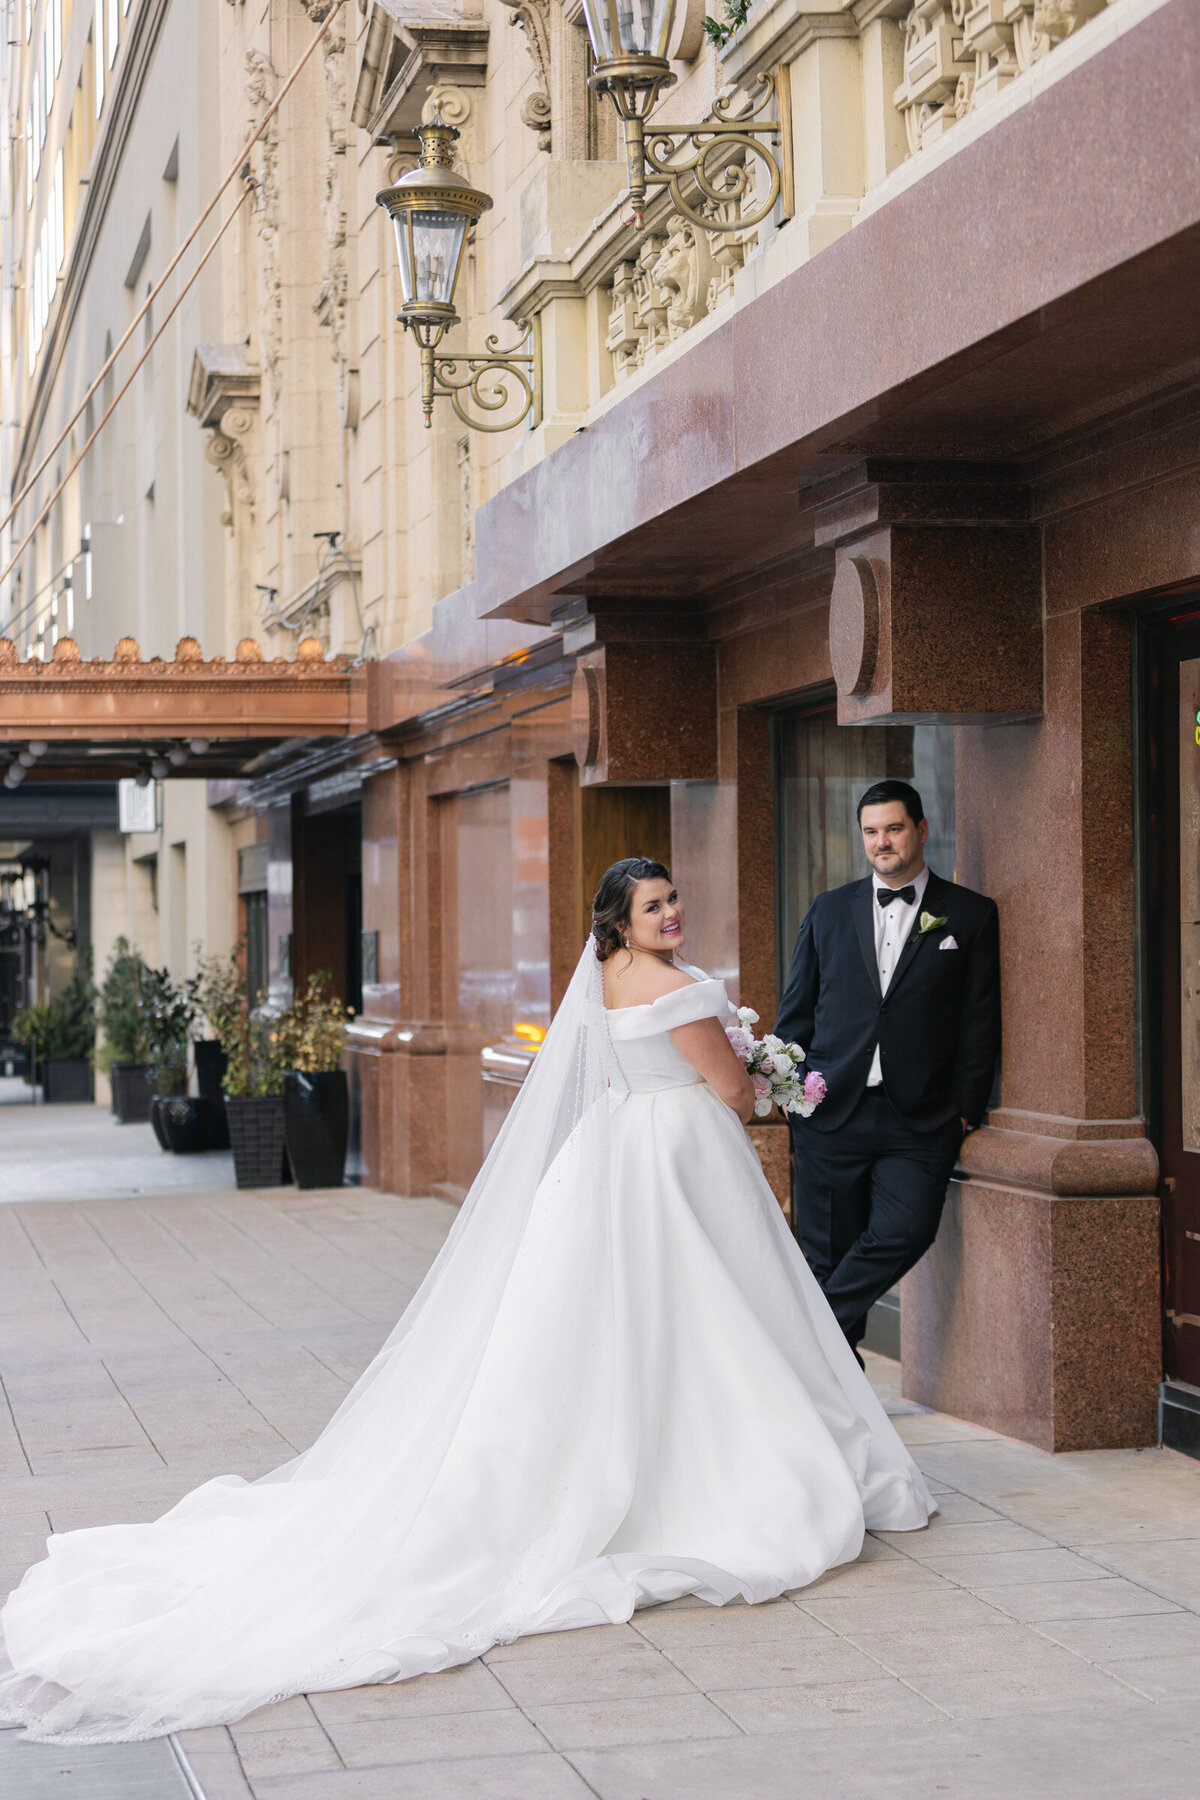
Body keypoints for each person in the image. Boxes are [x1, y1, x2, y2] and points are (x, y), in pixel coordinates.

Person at [0, 856, 933, 1745]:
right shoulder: (681, 988)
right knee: (712, 1318)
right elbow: (729, 1091)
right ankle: (722, 1467)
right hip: (681, 1161)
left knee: (628, 1325)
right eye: (653, 907)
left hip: (612, 1160)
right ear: (619, 921)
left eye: (673, 900)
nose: (670, 915)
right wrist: (758, 1067)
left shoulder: (605, 979)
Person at [775, 780, 1001, 1363]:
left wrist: (966, 1110)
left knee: (905, 1230)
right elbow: (797, 1009)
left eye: (894, 829)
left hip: (921, 1118)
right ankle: (835, 1395)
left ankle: (805, 1338)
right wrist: (789, 1092)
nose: (883, 842)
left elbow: (980, 1021)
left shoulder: (970, 914)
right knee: (829, 1251)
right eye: (871, 832)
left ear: (921, 830)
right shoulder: (828, 910)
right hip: (829, 1110)